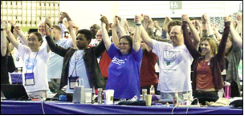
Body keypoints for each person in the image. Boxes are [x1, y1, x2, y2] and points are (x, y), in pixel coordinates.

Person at [137, 14, 193, 103]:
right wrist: (139, 23)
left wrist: (188, 22)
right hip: (165, 90)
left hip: (182, 90)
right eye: (171, 32)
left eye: (176, 33)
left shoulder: (188, 48)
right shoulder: (163, 46)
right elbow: (147, 39)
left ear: (183, 35)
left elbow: (197, 40)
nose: (172, 35)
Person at [45, 19, 106, 94]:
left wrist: (106, 27)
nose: (78, 41)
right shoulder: (69, 52)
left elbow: (104, 44)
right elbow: (54, 47)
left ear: (88, 41)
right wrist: (48, 34)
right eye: (77, 39)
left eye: (81, 39)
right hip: (70, 89)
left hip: (87, 90)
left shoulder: (92, 52)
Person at [4, 18, 51, 100]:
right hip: (26, 90)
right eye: (29, 39)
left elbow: (50, 40)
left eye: (33, 40)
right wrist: (7, 28)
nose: (30, 42)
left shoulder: (44, 53)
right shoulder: (25, 52)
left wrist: (49, 28)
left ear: (40, 42)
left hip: (39, 90)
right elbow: (13, 41)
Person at [101, 14, 143, 100]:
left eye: (125, 44)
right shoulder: (115, 54)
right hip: (111, 94)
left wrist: (138, 24)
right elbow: (106, 42)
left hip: (130, 96)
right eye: (120, 44)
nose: (121, 45)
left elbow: (136, 40)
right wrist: (102, 25)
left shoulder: (135, 56)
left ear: (130, 45)